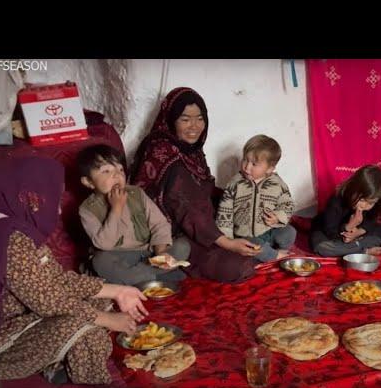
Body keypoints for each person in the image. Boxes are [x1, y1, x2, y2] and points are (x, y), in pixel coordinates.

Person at [0, 155, 148, 385]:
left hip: (30, 316)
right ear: (28, 197)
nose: (58, 210)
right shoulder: (10, 239)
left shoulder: (16, 225)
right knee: (88, 325)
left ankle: (59, 362)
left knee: (101, 302)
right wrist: (107, 320)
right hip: (3, 340)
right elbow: (48, 301)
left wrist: (117, 291)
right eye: (52, 199)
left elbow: (56, 280)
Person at [132, 87, 258, 283]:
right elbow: (188, 209)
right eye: (185, 119)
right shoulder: (165, 154)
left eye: (200, 118)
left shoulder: (189, 150)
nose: (195, 126)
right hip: (168, 233)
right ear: (171, 120)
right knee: (239, 265)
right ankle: (164, 267)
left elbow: (201, 192)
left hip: (196, 224)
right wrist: (228, 243)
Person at [78, 145, 190, 285]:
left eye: (120, 169)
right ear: (88, 182)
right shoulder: (87, 209)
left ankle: (136, 278)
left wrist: (161, 252)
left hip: (149, 253)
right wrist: (116, 208)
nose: (116, 175)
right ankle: (155, 276)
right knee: (100, 261)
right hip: (120, 258)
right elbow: (104, 244)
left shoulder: (136, 193)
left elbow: (159, 224)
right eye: (106, 171)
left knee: (183, 246)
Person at [216, 134, 296, 262]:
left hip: (269, 231)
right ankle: (275, 257)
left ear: (270, 168)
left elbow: (288, 204)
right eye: (245, 160)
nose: (247, 167)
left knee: (290, 232)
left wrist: (278, 217)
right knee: (252, 244)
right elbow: (224, 214)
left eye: (254, 164)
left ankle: (280, 251)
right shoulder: (235, 184)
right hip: (245, 235)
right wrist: (229, 241)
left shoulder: (277, 183)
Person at [310, 165, 381, 257]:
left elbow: (371, 222)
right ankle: (363, 251)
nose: (364, 206)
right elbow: (330, 231)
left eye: (371, 203)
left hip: (356, 236)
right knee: (322, 247)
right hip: (331, 233)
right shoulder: (336, 201)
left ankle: (350, 249)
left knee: (379, 232)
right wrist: (349, 226)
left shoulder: (375, 203)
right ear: (353, 190)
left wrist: (358, 232)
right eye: (362, 200)